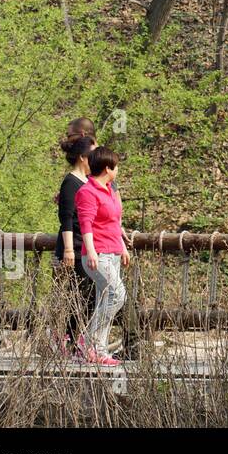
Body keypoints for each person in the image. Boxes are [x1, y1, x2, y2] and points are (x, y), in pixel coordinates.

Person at [75, 146, 129, 366]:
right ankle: (87, 341)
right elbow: (85, 223)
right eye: (116, 167)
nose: (117, 171)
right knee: (117, 294)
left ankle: (100, 350)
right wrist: (91, 251)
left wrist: (123, 247)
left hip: (112, 251)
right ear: (108, 168)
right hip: (98, 254)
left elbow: (115, 222)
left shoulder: (108, 190)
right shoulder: (87, 192)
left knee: (104, 299)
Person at [55, 133, 95, 357]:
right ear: (82, 157)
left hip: (85, 246)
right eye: (93, 154)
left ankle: (75, 338)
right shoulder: (71, 182)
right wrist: (69, 250)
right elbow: (67, 217)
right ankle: (68, 339)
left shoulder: (87, 182)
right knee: (78, 296)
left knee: (87, 295)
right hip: (74, 246)